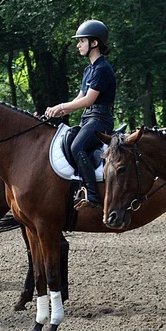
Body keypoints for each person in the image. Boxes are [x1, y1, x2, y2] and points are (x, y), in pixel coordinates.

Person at [43, 20, 117, 210]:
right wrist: (59, 110)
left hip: (100, 119)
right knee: (66, 141)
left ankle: (92, 195)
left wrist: (60, 106)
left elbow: (89, 100)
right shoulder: (89, 70)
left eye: (82, 41)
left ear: (94, 43)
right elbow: (80, 98)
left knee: (78, 146)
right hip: (88, 118)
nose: (78, 45)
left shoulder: (102, 69)